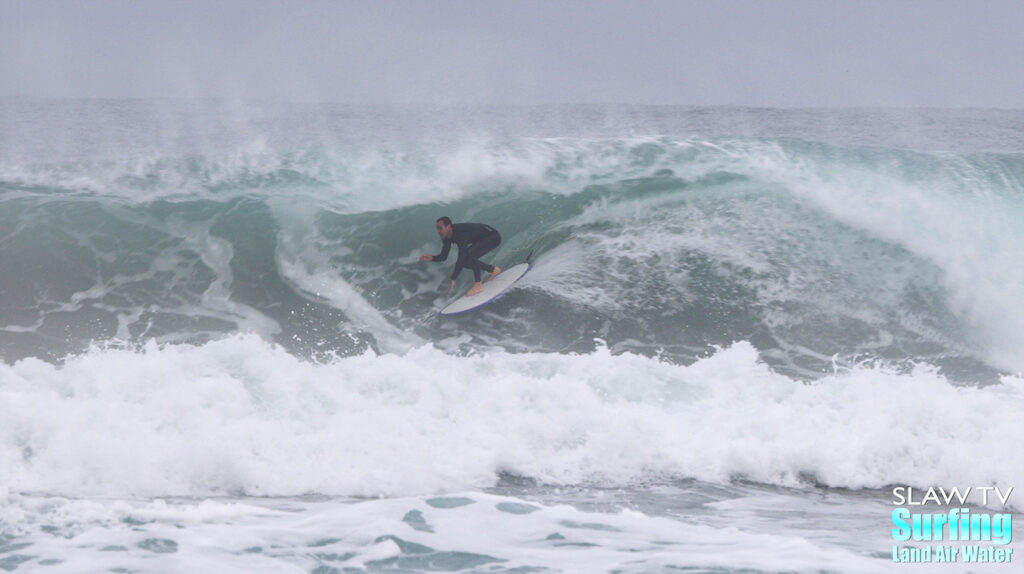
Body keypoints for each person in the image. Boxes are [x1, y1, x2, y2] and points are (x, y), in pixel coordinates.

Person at [420, 216, 502, 296]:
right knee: (466, 262)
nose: (438, 231)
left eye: (440, 228)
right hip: (481, 239)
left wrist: (454, 277)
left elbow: (462, 255)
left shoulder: (460, 234)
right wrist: (432, 258)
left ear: (448, 227)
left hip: (493, 237)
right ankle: (493, 270)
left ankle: (478, 284)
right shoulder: (446, 236)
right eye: (437, 228)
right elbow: (444, 256)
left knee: (469, 254)